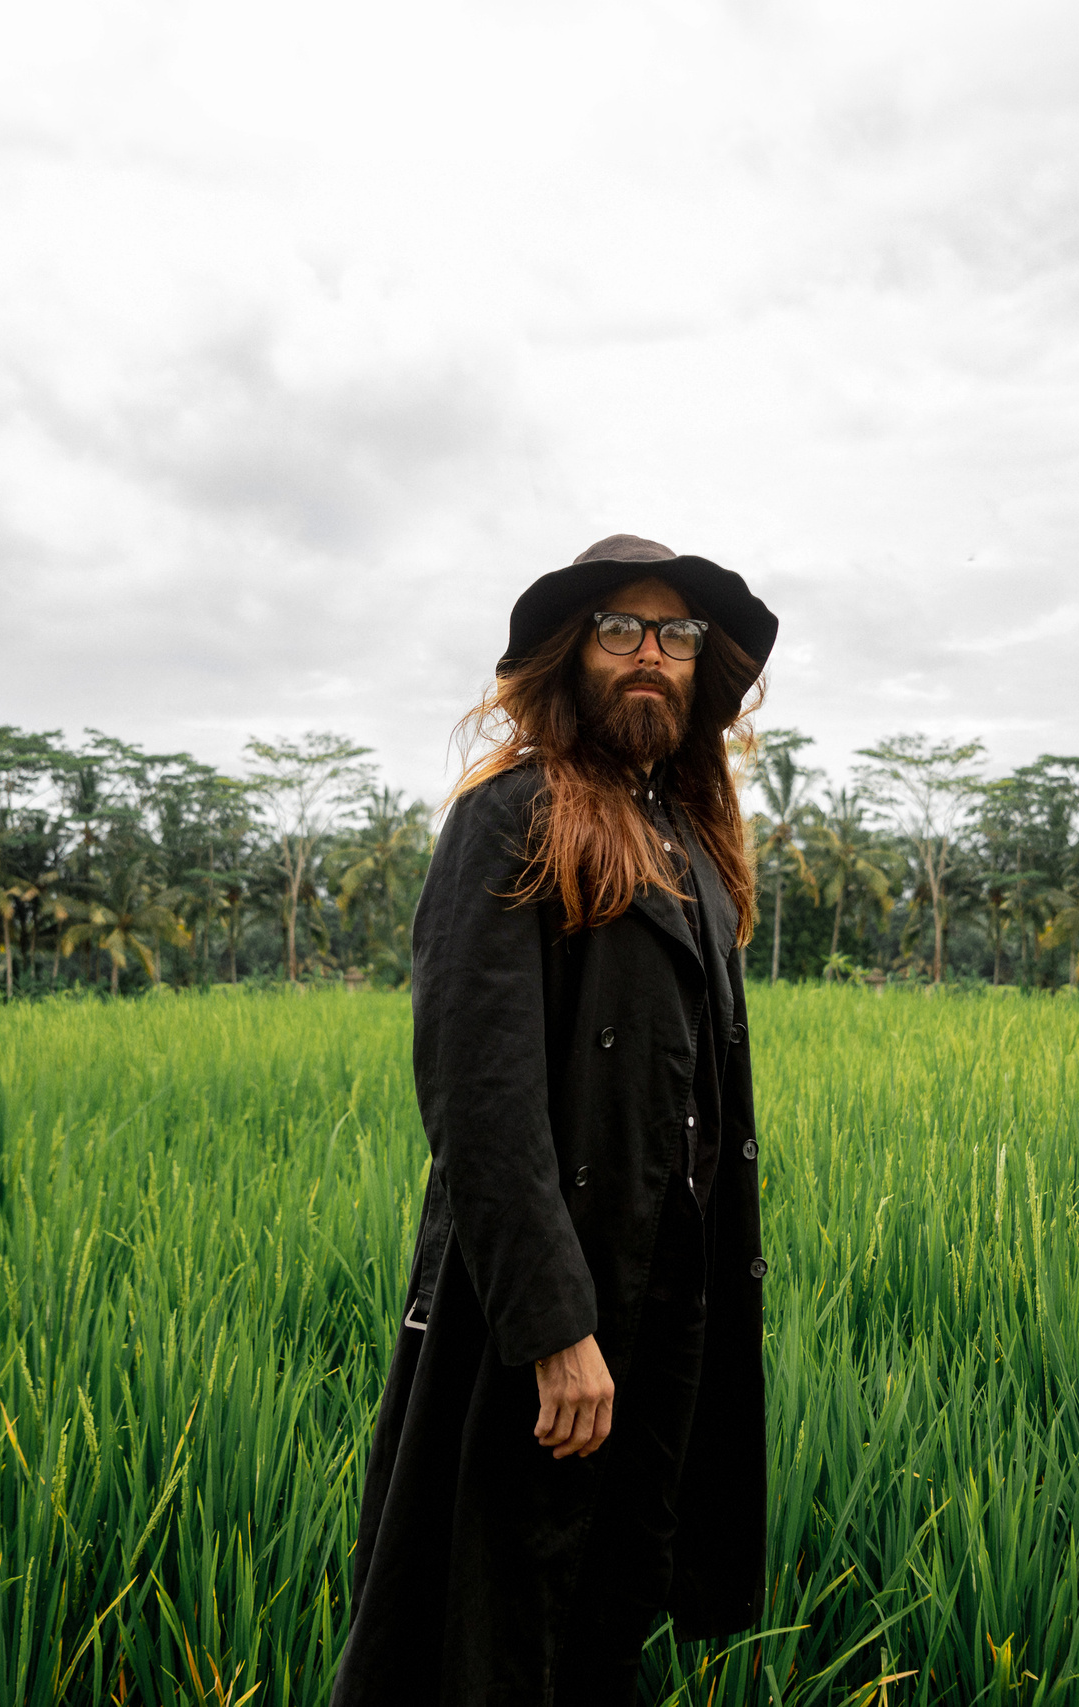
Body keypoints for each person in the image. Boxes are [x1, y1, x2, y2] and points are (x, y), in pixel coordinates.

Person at [330, 535, 778, 1705]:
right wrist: (551, 1326)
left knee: (607, 1605)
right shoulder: (512, 817)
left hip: (662, 1303)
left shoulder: (688, 845)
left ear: (699, 669)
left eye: (676, 636)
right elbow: (478, 1096)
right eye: (621, 629)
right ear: (571, 655)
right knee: (495, 1618)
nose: (651, 655)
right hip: (541, 1317)